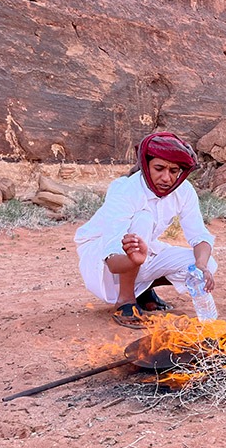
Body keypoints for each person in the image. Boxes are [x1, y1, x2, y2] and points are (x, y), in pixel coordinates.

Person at [74, 132, 217, 328]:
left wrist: (201, 266)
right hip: (102, 261)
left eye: (174, 170)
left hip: (141, 252)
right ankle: (125, 300)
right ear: (146, 165)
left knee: (206, 262)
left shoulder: (184, 191)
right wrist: (133, 260)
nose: (166, 178)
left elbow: (199, 235)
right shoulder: (126, 189)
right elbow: (112, 260)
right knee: (143, 218)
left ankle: (142, 291)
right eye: (159, 168)